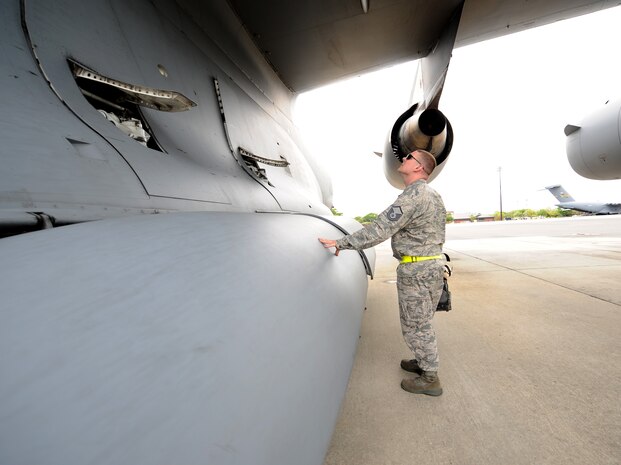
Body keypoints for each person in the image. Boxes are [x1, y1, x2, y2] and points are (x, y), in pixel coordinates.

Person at [318, 149, 446, 396]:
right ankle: (422, 362)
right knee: (422, 320)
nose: (404, 158)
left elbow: (380, 229)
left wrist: (341, 243)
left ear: (419, 167)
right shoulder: (433, 195)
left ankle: (430, 378)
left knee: (416, 326)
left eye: (409, 157)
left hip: (416, 270)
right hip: (432, 266)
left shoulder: (413, 196)